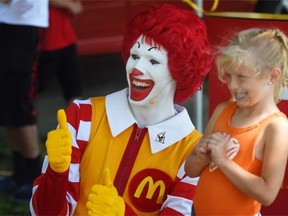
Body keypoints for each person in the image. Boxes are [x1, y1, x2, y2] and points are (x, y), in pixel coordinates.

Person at [30, 4, 213, 215]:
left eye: (153, 60)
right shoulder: (82, 117)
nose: (136, 68)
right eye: (135, 56)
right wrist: (56, 174)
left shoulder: (193, 153)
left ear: (180, 71)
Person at [184, 28, 288, 215]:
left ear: (272, 76)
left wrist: (223, 161)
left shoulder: (276, 127)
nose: (232, 85)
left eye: (241, 77)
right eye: (229, 76)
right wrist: (201, 158)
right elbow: (190, 170)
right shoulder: (223, 110)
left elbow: (267, 194)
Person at [0, 0, 48, 203]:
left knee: (21, 106)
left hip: (24, 25)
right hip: (7, 23)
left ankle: (35, 179)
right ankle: (19, 174)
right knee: (8, 104)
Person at [37, 0, 83, 105]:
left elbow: (76, 7)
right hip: (46, 40)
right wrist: (69, 4)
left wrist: (73, 5)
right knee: (33, 87)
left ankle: (75, 120)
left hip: (66, 36)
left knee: (74, 87)